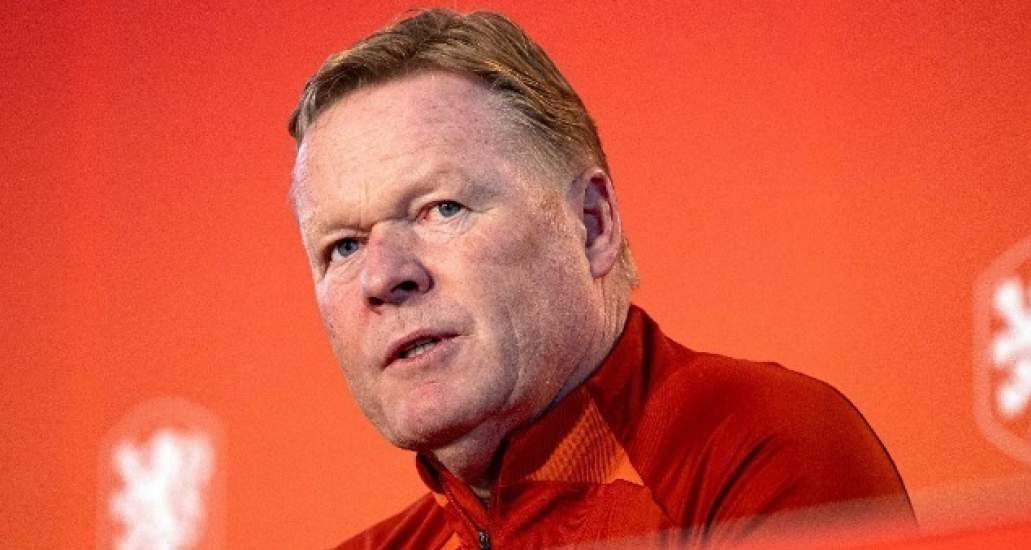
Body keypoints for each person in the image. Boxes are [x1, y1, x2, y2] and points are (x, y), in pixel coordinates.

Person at [288, 8, 914, 549]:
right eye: (343, 247)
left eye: (441, 209)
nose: (382, 276)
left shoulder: (762, 449)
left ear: (591, 224)